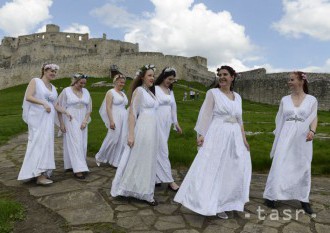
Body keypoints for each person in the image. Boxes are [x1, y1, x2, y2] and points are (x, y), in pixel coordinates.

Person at [174, 65, 251, 219]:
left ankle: (227, 201)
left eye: (225, 74)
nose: (222, 77)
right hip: (217, 134)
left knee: (232, 169)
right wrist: (201, 135)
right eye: (220, 74)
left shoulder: (238, 97)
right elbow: (205, 115)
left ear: (232, 77)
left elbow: (239, 120)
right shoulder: (213, 93)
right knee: (214, 167)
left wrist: (244, 139)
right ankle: (214, 204)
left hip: (234, 136)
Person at [263, 71, 318, 215]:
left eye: (292, 79)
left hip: (302, 137)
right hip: (285, 135)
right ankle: (272, 195)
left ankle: (303, 198)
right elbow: (279, 119)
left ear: (301, 81)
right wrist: (278, 136)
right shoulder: (284, 99)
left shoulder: (312, 100)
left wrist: (312, 131)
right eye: (289, 79)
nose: (289, 82)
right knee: (280, 163)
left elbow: (314, 117)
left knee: (302, 165)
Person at [111, 64, 159, 206]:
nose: (152, 78)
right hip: (143, 128)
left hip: (152, 129)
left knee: (148, 159)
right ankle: (135, 189)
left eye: (153, 76)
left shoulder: (150, 92)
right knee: (139, 158)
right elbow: (132, 112)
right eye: (149, 75)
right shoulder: (139, 91)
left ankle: (144, 189)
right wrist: (131, 135)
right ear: (142, 77)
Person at [18, 63, 60, 185]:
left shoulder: (53, 87)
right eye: (51, 71)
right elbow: (28, 97)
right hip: (37, 119)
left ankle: (37, 172)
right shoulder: (35, 81)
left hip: (48, 120)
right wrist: (43, 103)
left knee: (46, 145)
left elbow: (55, 105)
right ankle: (38, 175)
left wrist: (66, 112)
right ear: (44, 71)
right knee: (37, 144)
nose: (53, 73)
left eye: (55, 72)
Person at [55, 73, 92, 179]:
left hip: (82, 119)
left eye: (84, 83)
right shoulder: (66, 91)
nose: (83, 85)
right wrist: (63, 120)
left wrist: (85, 121)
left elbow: (89, 108)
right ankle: (79, 169)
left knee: (82, 143)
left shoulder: (86, 92)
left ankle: (71, 164)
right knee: (74, 142)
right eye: (81, 83)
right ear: (75, 81)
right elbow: (57, 105)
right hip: (71, 118)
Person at [154, 67, 183, 191]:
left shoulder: (170, 91)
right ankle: (170, 180)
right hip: (156, 121)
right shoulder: (154, 89)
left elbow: (173, 107)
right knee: (162, 150)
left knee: (159, 148)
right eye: (169, 79)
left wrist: (175, 123)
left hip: (166, 122)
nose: (170, 81)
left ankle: (156, 178)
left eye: (172, 80)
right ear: (163, 77)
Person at [95, 74, 128, 167]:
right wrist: (111, 121)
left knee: (121, 139)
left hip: (123, 118)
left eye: (124, 83)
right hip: (115, 117)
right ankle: (99, 156)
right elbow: (108, 107)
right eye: (121, 82)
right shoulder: (111, 92)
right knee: (113, 138)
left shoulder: (123, 93)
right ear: (116, 81)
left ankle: (115, 161)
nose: (122, 84)